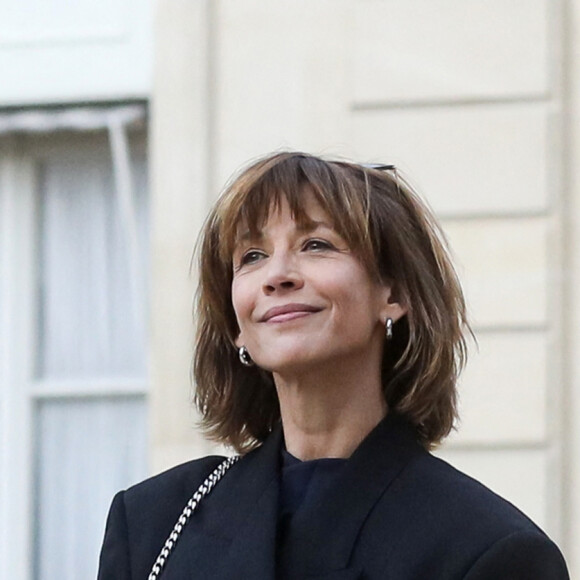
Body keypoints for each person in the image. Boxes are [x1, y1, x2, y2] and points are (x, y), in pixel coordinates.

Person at [98, 152, 569, 579]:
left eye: (316, 245)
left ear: (394, 294)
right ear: (236, 324)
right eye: (253, 256)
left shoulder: (490, 552)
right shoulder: (151, 524)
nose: (277, 276)